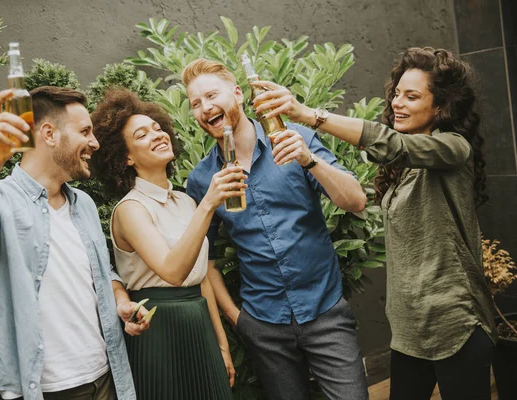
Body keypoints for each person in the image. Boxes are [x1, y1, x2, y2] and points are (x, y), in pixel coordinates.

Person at [249, 47, 498, 400]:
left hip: (456, 324)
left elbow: (390, 144)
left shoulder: (454, 150)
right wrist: (308, 160)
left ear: (440, 107)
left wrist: (304, 114)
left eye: (412, 96)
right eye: (397, 93)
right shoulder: (403, 169)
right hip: (409, 330)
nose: (398, 102)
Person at [0, 86, 149, 400]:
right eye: (85, 131)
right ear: (49, 134)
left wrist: (120, 301)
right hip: (44, 390)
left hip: (106, 378)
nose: (94, 143)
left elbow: (103, 273)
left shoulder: (83, 204)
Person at [182, 59, 369, 400]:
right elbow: (204, 261)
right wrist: (238, 319)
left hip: (325, 311)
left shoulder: (294, 138)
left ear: (237, 94)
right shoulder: (201, 180)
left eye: (211, 95)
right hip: (263, 324)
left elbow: (356, 201)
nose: (205, 107)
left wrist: (308, 160)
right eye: (196, 103)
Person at [90, 88, 243, 400]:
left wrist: (222, 345)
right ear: (126, 157)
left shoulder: (187, 202)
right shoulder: (131, 209)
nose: (157, 135)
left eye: (158, 128)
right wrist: (209, 204)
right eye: (142, 134)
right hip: (157, 331)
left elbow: (200, 281)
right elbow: (173, 271)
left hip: (200, 325)